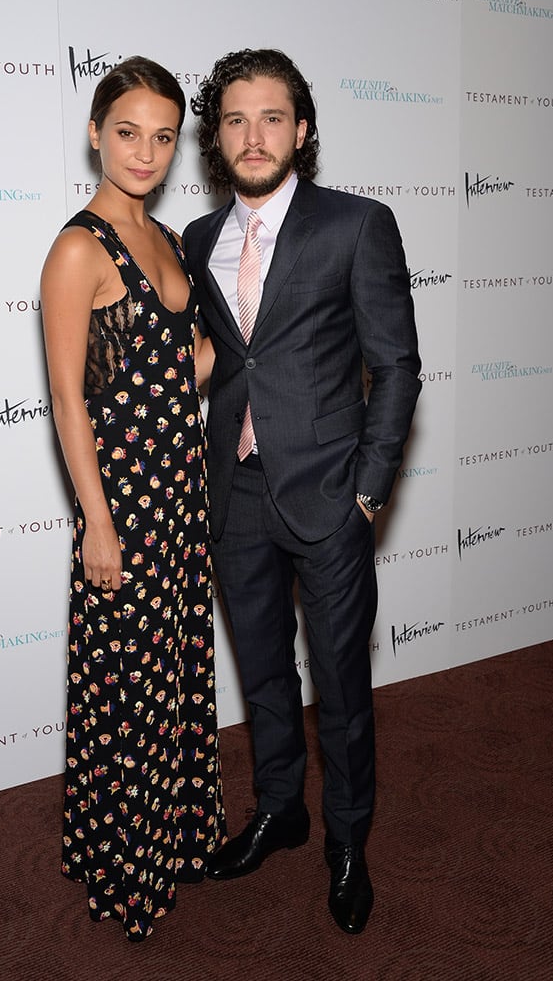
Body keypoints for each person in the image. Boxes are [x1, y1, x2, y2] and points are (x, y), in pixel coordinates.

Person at [183, 48, 421, 935]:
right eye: (235, 119)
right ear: (218, 137)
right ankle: (280, 811)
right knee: (263, 671)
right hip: (234, 493)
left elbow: (395, 368)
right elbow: (222, 362)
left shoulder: (355, 226)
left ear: (302, 130)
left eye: (271, 117)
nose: (253, 135)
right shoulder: (201, 241)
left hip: (329, 496)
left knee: (341, 685)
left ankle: (346, 841)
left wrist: (368, 493)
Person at [40, 57, 226, 943]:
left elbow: (170, 368)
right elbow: (70, 400)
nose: (145, 152)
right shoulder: (77, 248)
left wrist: (234, 352)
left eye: (162, 137)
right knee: (126, 695)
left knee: (172, 678)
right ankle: (125, 869)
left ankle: (173, 840)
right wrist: (98, 523)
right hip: (124, 507)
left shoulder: (169, 239)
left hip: (180, 495)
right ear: (95, 133)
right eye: (127, 132)